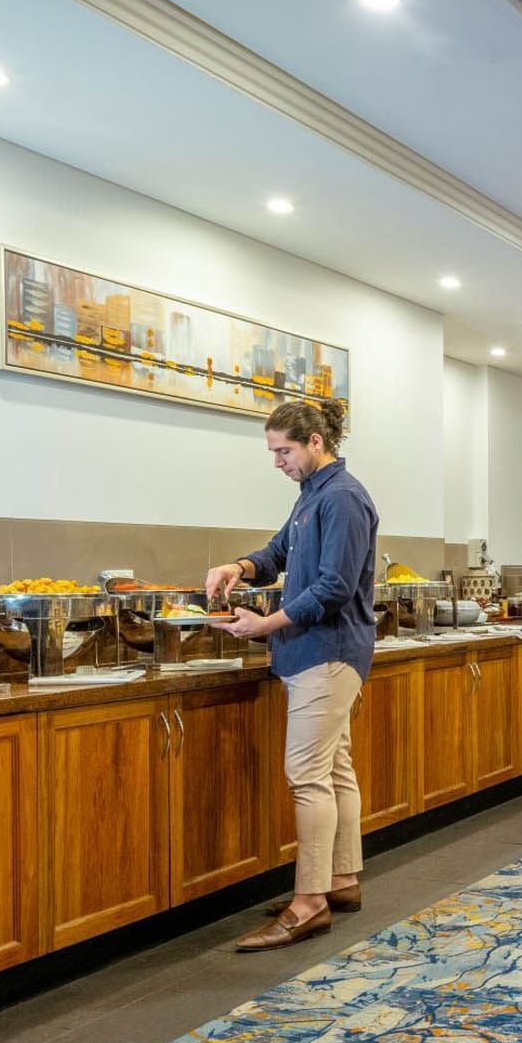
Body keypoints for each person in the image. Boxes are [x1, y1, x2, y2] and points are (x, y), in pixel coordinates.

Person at [205, 397, 379, 953]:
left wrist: (264, 624)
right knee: (335, 768)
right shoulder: (313, 497)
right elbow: (278, 552)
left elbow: (333, 589)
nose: (277, 462)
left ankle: (308, 904)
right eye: (273, 452)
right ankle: (342, 880)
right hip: (313, 652)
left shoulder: (344, 499)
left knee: (306, 775)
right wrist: (239, 566)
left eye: (283, 451)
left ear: (315, 443)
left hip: (326, 652)